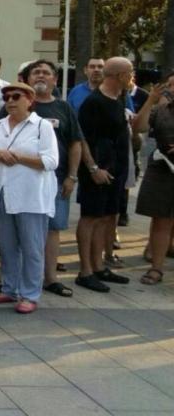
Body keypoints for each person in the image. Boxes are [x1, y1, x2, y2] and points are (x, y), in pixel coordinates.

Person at [0, 83, 59, 314]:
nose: (11, 101)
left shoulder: (42, 126)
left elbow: (51, 161)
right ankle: (9, 288)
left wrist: (19, 157)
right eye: (7, 97)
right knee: (6, 246)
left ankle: (30, 294)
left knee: (32, 247)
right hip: (2, 195)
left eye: (16, 96)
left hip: (31, 197)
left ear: (30, 100)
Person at [23, 60, 82, 298]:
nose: (40, 76)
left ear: (55, 79)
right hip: (23, 179)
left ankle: (50, 279)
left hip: (56, 180)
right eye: (36, 72)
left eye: (46, 73)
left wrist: (72, 176)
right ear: (27, 79)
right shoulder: (17, 104)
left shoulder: (64, 108)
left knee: (53, 228)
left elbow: (76, 144)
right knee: (23, 229)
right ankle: (19, 277)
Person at [74, 57, 133, 292]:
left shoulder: (119, 99)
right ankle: (85, 271)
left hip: (115, 171)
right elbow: (82, 139)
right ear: (119, 75)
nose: (132, 76)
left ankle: (98, 267)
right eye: (130, 72)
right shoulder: (93, 103)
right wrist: (93, 168)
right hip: (97, 171)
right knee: (90, 217)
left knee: (105, 218)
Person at [132, 72, 174, 285]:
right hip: (162, 170)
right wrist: (150, 101)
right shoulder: (160, 110)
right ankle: (156, 268)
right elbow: (138, 127)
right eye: (170, 85)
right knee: (161, 220)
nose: (172, 89)